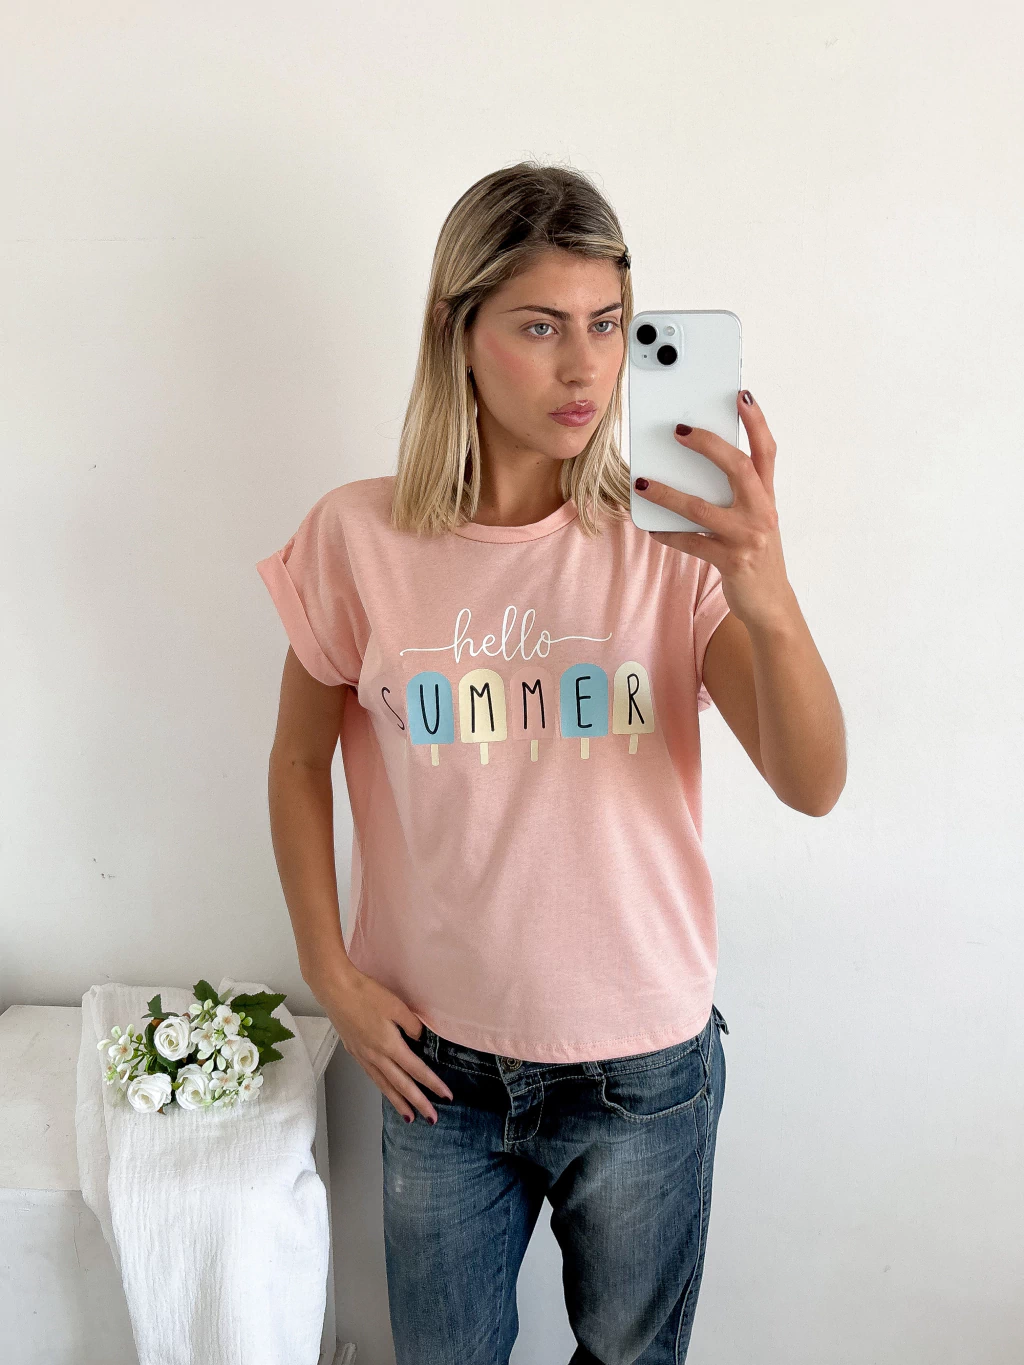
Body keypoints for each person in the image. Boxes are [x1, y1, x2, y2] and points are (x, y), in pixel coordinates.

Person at [256, 161, 846, 1365]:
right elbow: (298, 761)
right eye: (540, 327)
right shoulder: (356, 539)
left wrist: (766, 593)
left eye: (608, 324)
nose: (585, 367)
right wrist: (328, 967)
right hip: (434, 1068)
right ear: (455, 331)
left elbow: (811, 781)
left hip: (642, 1066)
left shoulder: (671, 548)